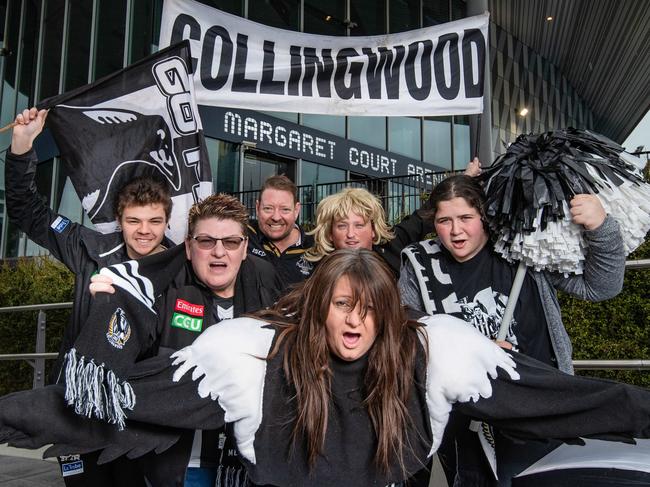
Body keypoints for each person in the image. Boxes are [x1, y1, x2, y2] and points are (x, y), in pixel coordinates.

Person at [1, 249, 650, 487]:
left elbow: (562, 397)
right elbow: (132, 397)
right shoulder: (250, 354)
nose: (354, 321)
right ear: (320, 304)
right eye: (342, 303)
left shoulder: (435, 351)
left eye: (369, 308)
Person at [398, 174, 626, 486]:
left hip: (542, 406)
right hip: (467, 423)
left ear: (484, 215)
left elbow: (601, 287)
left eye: (466, 217)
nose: (455, 230)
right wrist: (471, 352)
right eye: (444, 220)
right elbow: (406, 335)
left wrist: (601, 228)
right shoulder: (420, 264)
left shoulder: (524, 247)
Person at [5, 107, 175, 486]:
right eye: (133, 221)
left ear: (166, 220)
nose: (143, 231)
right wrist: (22, 146)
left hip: (138, 415)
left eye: (154, 221)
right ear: (119, 219)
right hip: (77, 410)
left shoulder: (180, 270)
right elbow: (26, 210)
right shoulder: (89, 247)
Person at [88, 193, 282, 487]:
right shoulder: (161, 292)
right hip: (180, 466)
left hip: (250, 467)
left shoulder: (268, 293)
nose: (219, 252)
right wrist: (111, 311)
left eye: (230, 242)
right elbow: (123, 353)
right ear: (189, 248)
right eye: (206, 241)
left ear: (244, 249)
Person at [304, 187, 433, 275]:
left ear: (373, 230)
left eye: (359, 225)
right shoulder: (317, 272)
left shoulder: (391, 250)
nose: (350, 234)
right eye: (342, 226)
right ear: (330, 233)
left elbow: (425, 215)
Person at [246, 175, 314, 289]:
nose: (276, 217)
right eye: (268, 208)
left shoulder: (315, 249)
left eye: (285, 209)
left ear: (296, 210)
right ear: (257, 208)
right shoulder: (242, 236)